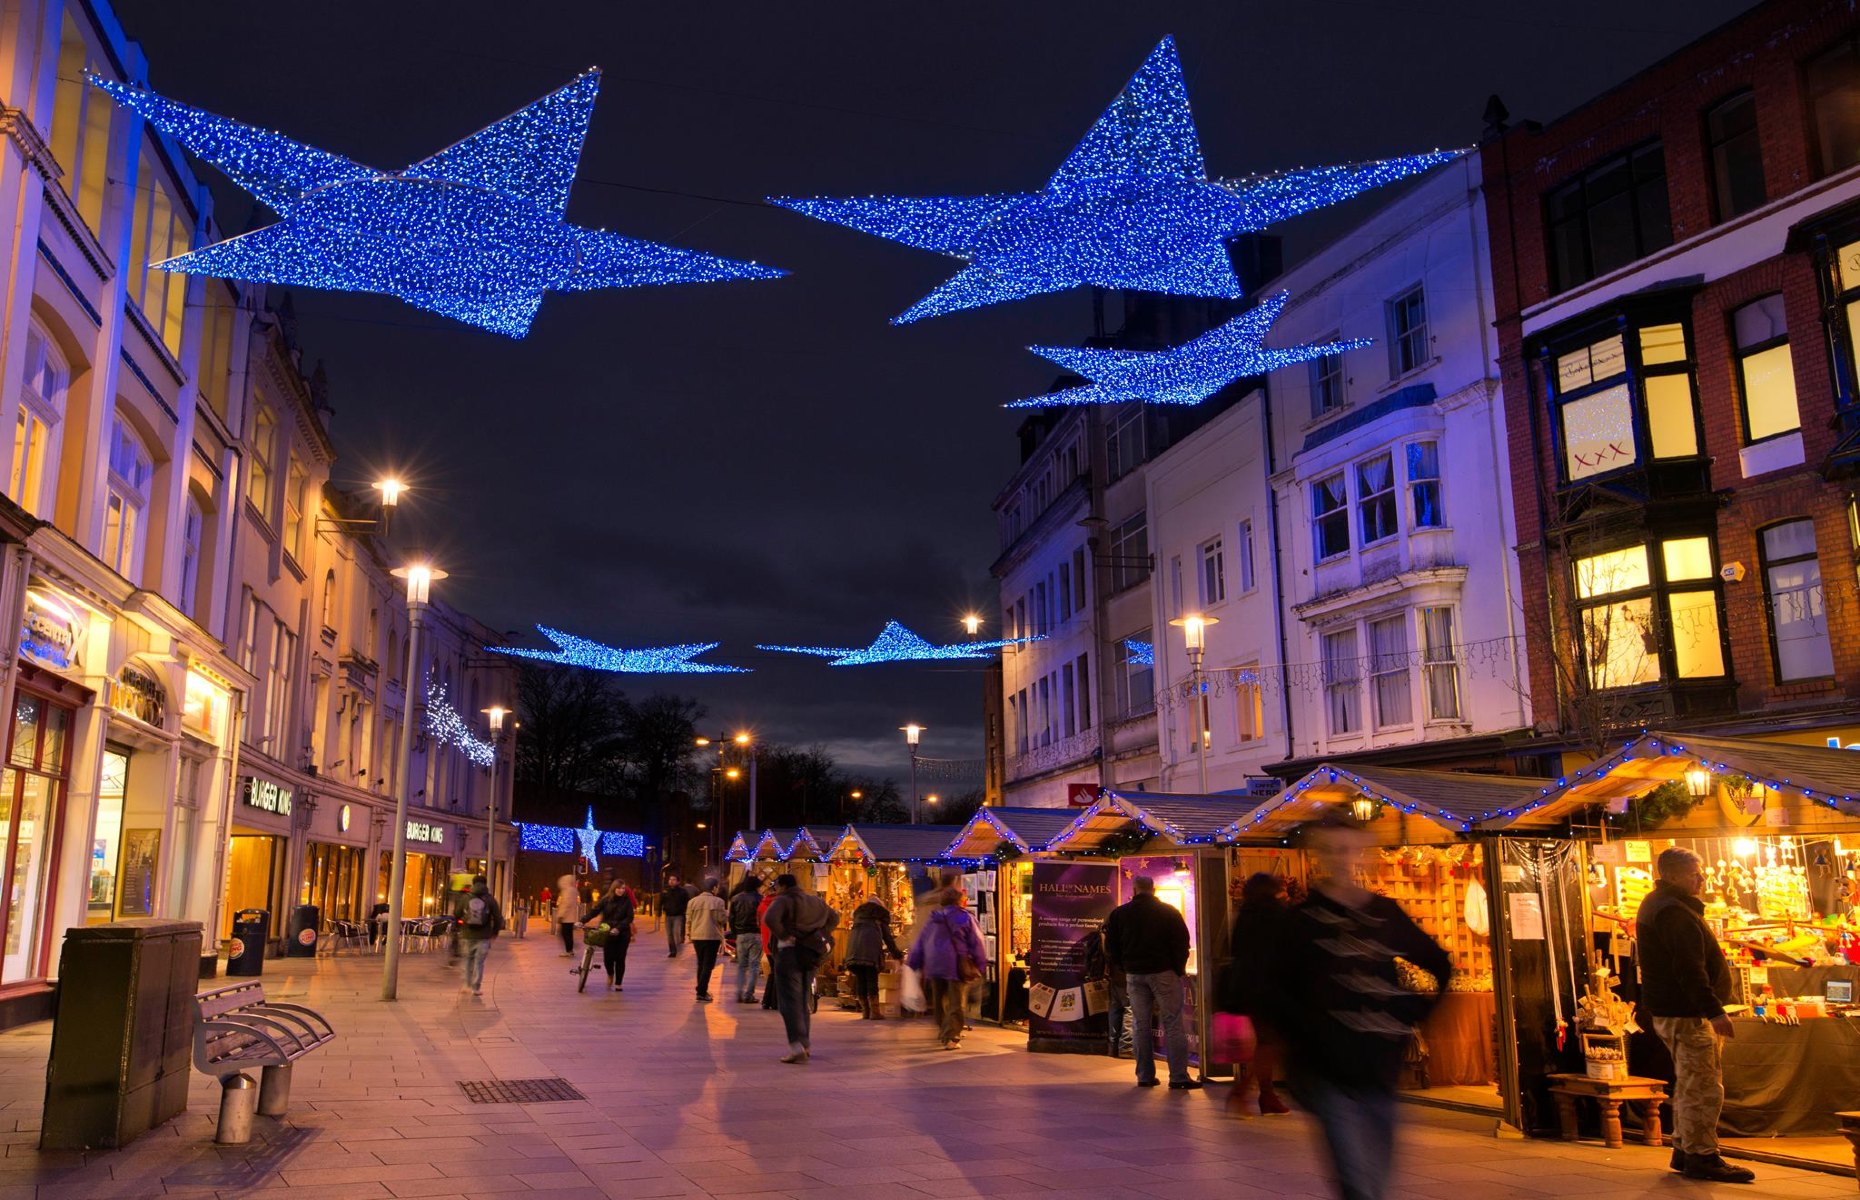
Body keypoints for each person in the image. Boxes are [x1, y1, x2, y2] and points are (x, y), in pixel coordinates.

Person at [1265, 809, 1452, 1200]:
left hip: (1380, 1068)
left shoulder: (1383, 914)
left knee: (1377, 1182)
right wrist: (1307, 1034)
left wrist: (1413, 1015)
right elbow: (1272, 986)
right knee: (1357, 1183)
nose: (1341, 858)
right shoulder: (1302, 921)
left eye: (1348, 849)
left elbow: (1437, 963)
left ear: (1362, 854)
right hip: (1327, 1072)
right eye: (1331, 849)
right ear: (1320, 855)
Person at [1638, 846, 1755, 1185]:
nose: (1702, 878)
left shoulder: (1663, 904)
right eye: (1695, 872)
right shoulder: (1673, 912)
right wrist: (1714, 1011)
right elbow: (1690, 968)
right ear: (1672, 875)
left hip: (1675, 1010)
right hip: (1687, 1014)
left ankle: (1686, 1149)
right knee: (1703, 1086)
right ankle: (1703, 1156)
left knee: (1690, 1084)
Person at [1102, 875, 1197, 1090]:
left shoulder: (1120, 914)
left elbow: (1111, 947)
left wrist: (1124, 967)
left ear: (1134, 889)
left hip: (1134, 974)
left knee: (1140, 1024)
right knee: (1172, 1023)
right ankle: (1179, 1076)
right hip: (1164, 972)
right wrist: (1178, 968)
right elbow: (1182, 941)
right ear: (1152, 889)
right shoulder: (1169, 912)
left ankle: (1144, 1075)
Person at [1225, 872, 1292, 1116]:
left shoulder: (1245, 914)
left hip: (1248, 988)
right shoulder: (1277, 914)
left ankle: (1266, 1094)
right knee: (1271, 1042)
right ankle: (1244, 1091)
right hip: (1272, 987)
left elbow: (1237, 949)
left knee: (1266, 1040)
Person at [762, 874, 839, 1063]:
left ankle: (796, 1046)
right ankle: (805, 1044)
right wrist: (820, 932)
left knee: (789, 1000)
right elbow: (835, 917)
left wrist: (784, 935)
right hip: (811, 953)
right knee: (804, 998)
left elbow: (769, 918)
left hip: (789, 954)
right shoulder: (816, 901)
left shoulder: (784, 901)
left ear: (782, 886)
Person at [906, 887, 987, 1048]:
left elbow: (920, 942)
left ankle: (943, 1030)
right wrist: (980, 964)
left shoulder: (933, 919)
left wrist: (914, 963)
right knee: (956, 1003)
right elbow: (977, 942)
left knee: (939, 1001)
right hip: (955, 965)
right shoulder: (965, 917)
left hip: (934, 966)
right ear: (959, 900)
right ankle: (951, 1037)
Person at [845, 894, 903, 1020]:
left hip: (854, 951)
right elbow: (888, 939)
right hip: (869, 952)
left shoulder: (859, 917)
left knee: (861, 979)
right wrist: (897, 955)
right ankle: (875, 1012)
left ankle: (865, 1012)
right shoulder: (878, 917)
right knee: (871, 980)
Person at [457, 875, 503, 997]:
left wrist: (460, 926)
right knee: (479, 962)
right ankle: (476, 988)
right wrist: (495, 932)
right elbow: (498, 918)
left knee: (467, 959)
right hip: (484, 935)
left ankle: (466, 985)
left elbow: (456, 913)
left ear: (473, 883)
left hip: (467, 934)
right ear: (485, 883)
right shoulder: (490, 899)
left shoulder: (465, 898)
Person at [589, 876, 636, 991]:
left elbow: (629, 917)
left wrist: (618, 928)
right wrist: (582, 920)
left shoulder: (627, 901)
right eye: (619, 888)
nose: (621, 890)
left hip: (623, 933)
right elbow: (595, 911)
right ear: (614, 888)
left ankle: (618, 983)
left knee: (620, 958)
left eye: (623, 888)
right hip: (607, 932)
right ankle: (610, 973)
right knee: (608, 959)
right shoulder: (606, 900)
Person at [687, 878, 727, 1002]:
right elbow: (722, 919)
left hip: (697, 936)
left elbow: (689, 920)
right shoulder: (718, 902)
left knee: (700, 963)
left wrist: (689, 934)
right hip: (712, 936)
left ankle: (701, 989)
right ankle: (702, 991)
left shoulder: (693, 901)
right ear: (714, 888)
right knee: (708, 965)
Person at [728, 878, 766, 1003]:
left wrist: (735, 932)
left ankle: (739, 992)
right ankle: (749, 994)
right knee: (754, 965)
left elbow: (731, 918)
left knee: (742, 966)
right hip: (756, 934)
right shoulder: (760, 899)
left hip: (741, 935)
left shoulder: (736, 899)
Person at [758, 887, 781, 1010]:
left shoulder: (762, 905)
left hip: (767, 943)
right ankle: (774, 1002)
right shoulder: (779, 907)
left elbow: (758, 923)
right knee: (779, 972)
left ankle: (767, 1001)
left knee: (773, 971)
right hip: (778, 943)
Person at [660, 875, 691, 957]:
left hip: (678, 916)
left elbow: (687, 902)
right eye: (670, 879)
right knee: (669, 934)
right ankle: (672, 951)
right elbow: (661, 901)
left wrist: (683, 911)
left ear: (678, 882)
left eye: (673, 880)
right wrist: (660, 911)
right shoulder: (665, 891)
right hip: (668, 915)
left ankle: (677, 947)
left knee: (675, 933)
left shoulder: (682, 891)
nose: (671, 881)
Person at [554, 873, 581, 956]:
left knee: (564, 933)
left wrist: (561, 915)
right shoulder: (573, 890)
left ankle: (569, 950)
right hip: (571, 916)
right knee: (568, 933)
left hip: (566, 917)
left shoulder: (567, 890)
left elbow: (566, 903)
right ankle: (570, 949)